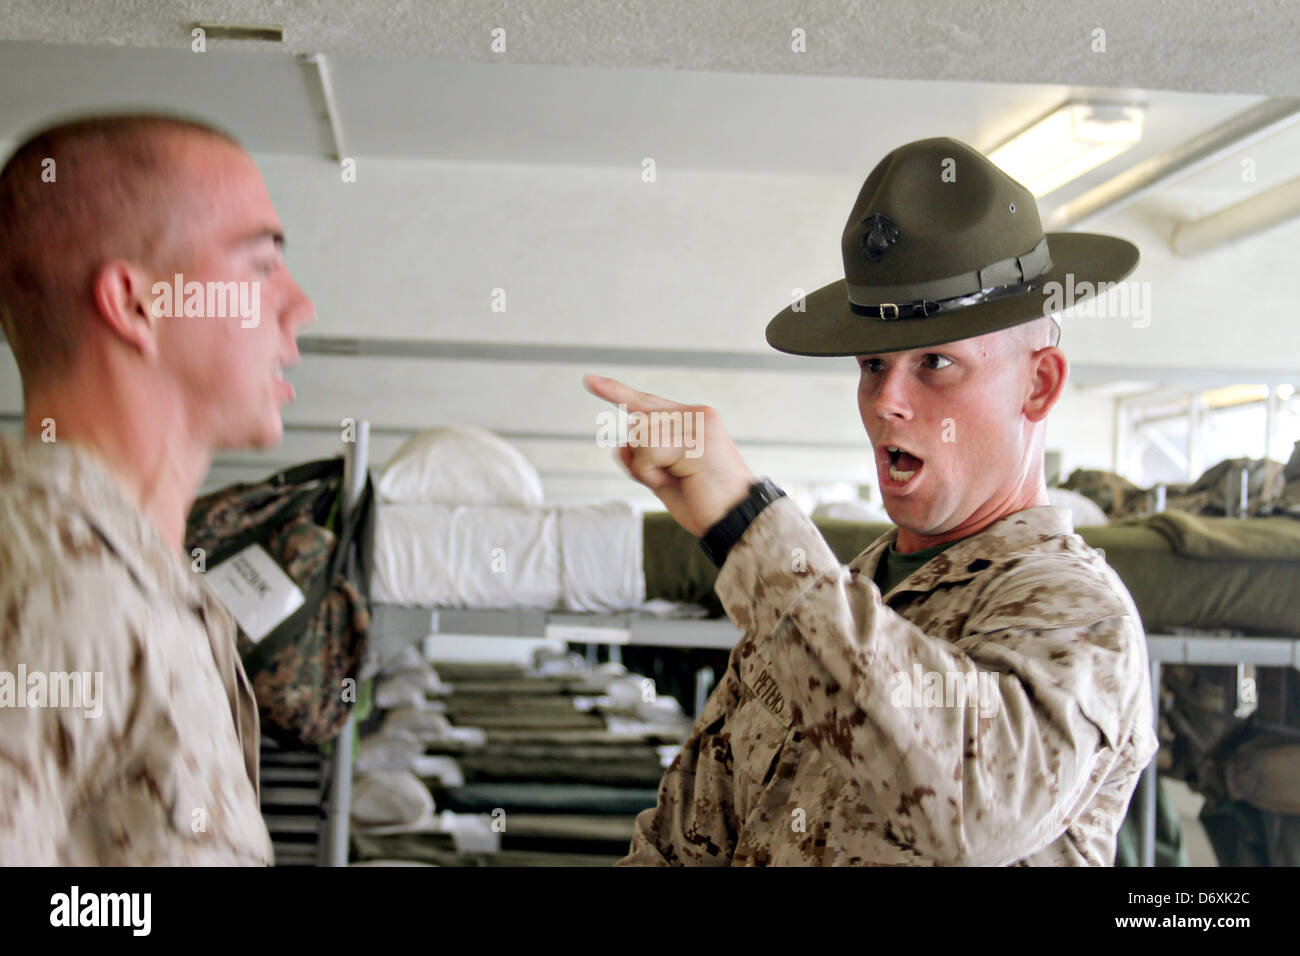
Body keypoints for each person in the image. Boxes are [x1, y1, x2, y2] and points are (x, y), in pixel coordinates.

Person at [588, 137, 1157, 866]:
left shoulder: (1076, 612)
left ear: (1038, 385)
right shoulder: (828, 600)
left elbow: (971, 806)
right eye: (873, 365)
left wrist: (746, 525)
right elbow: (682, 839)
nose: (887, 401)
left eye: (936, 363)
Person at [0, 114, 315, 864]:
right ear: (139, 305)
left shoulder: (149, 584)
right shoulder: (53, 585)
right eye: (261, 264)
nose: (298, 307)